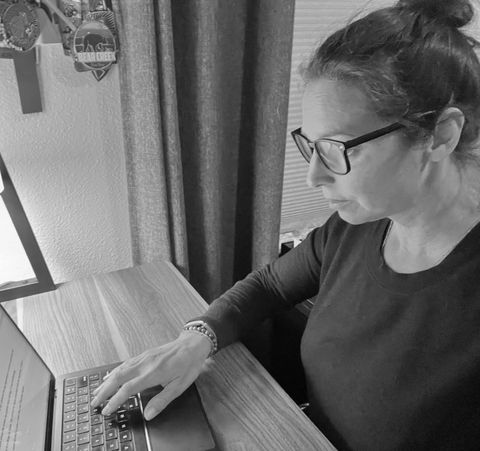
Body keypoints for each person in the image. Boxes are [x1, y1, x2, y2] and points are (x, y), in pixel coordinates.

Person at [92, 0, 480, 449]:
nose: (315, 175)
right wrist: (196, 340)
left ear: (441, 135)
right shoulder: (355, 226)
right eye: (311, 146)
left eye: (337, 148)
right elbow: (270, 286)